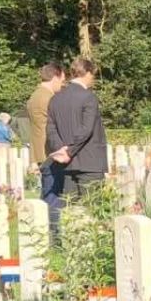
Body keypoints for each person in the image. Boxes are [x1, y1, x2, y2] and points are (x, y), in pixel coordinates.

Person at [45, 56, 105, 231]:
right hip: (89, 162)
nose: (93, 79)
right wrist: (70, 151)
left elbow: (51, 129)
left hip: (66, 164)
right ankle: (93, 248)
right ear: (87, 73)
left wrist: (61, 150)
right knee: (93, 208)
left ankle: (73, 247)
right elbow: (87, 129)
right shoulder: (89, 97)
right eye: (93, 74)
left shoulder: (55, 98)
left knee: (71, 210)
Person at [25, 62, 64, 203]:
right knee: (54, 198)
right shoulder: (49, 98)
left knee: (48, 195)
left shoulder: (34, 96)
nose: (62, 85)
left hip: (40, 152)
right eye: (61, 80)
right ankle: (53, 225)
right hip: (51, 151)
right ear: (54, 77)